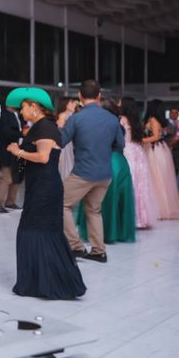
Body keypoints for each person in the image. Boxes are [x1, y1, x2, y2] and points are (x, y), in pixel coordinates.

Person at [5, 87, 86, 299]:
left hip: (45, 189)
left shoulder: (46, 127)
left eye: (23, 107)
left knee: (33, 233)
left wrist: (18, 151)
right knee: (40, 234)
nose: (21, 112)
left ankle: (43, 283)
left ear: (33, 106)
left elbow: (43, 157)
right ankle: (42, 282)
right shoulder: (40, 127)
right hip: (40, 187)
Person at [57, 79, 124, 263]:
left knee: (60, 203)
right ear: (99, 96)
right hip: (104, 174)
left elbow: (61, 141)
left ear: (79, 96)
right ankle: (98, 251)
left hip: (83, 173)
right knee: (94, 210)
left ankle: (76, 246)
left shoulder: (76, 118)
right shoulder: (112, 118)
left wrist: (62, 121)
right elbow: (120, 145)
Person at [77, 99, 136, 243]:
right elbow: (121, 144)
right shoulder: (118, 125)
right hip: (120, 163)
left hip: (106, 161)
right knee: (117, 197)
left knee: (100, 198)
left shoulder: (100, 125)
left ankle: (103, 233)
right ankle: (116, 232)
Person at [119, 97, 158, 228]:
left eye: (120, 101)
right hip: (138, 152)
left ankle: (130, 217)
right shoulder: (136, 120)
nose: (119, 103)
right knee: (140, 184)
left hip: (127, 152)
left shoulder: (122, 119)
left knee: (129, 183)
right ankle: (141, 217)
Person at [142, 99, 179, 219]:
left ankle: (158, 208)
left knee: (155, 179)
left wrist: (140, 140)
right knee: (162, 179)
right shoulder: (163, 121)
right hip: (161, 150)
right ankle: (164, 208)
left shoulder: (153, 119)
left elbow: (155, 137)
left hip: (154, 150)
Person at [0, 102, 23, 213]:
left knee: (17, 177)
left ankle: (10, 202)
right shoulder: (4, 115)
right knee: (7, 178)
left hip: (19, 151)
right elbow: (6, 132)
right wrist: (21, 133)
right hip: (8, 152)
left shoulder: (19, 115)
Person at [56, 97, 77, 180]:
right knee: (66, 168)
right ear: (66, 104)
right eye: (72, 102)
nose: (75, 104)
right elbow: (60, 132)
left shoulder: (72, 115)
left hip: (70, 144)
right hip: (65, 145)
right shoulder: (63, 115)